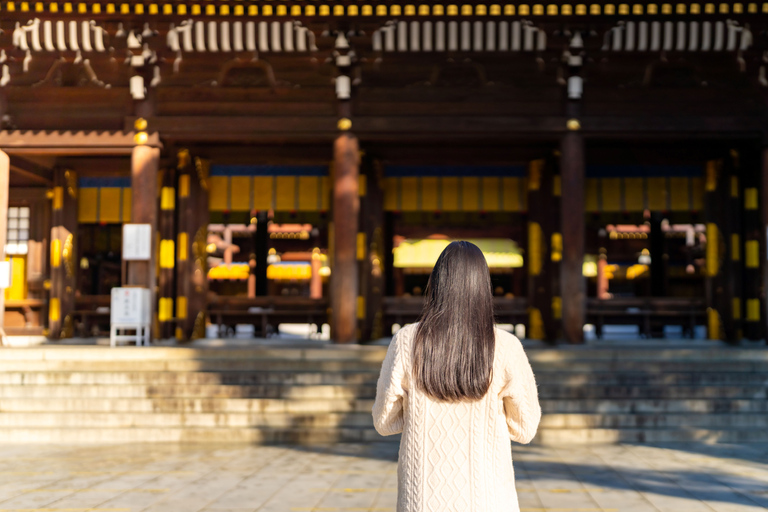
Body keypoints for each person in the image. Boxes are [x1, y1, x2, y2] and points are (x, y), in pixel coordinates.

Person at [372, 241, 541, 512]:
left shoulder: (406, 341)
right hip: (489, 498)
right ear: (483, 286)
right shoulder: (507, 346)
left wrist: (418, 410)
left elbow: (384, 421)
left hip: (422, 499)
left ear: (436, 284)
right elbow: (525, 429)